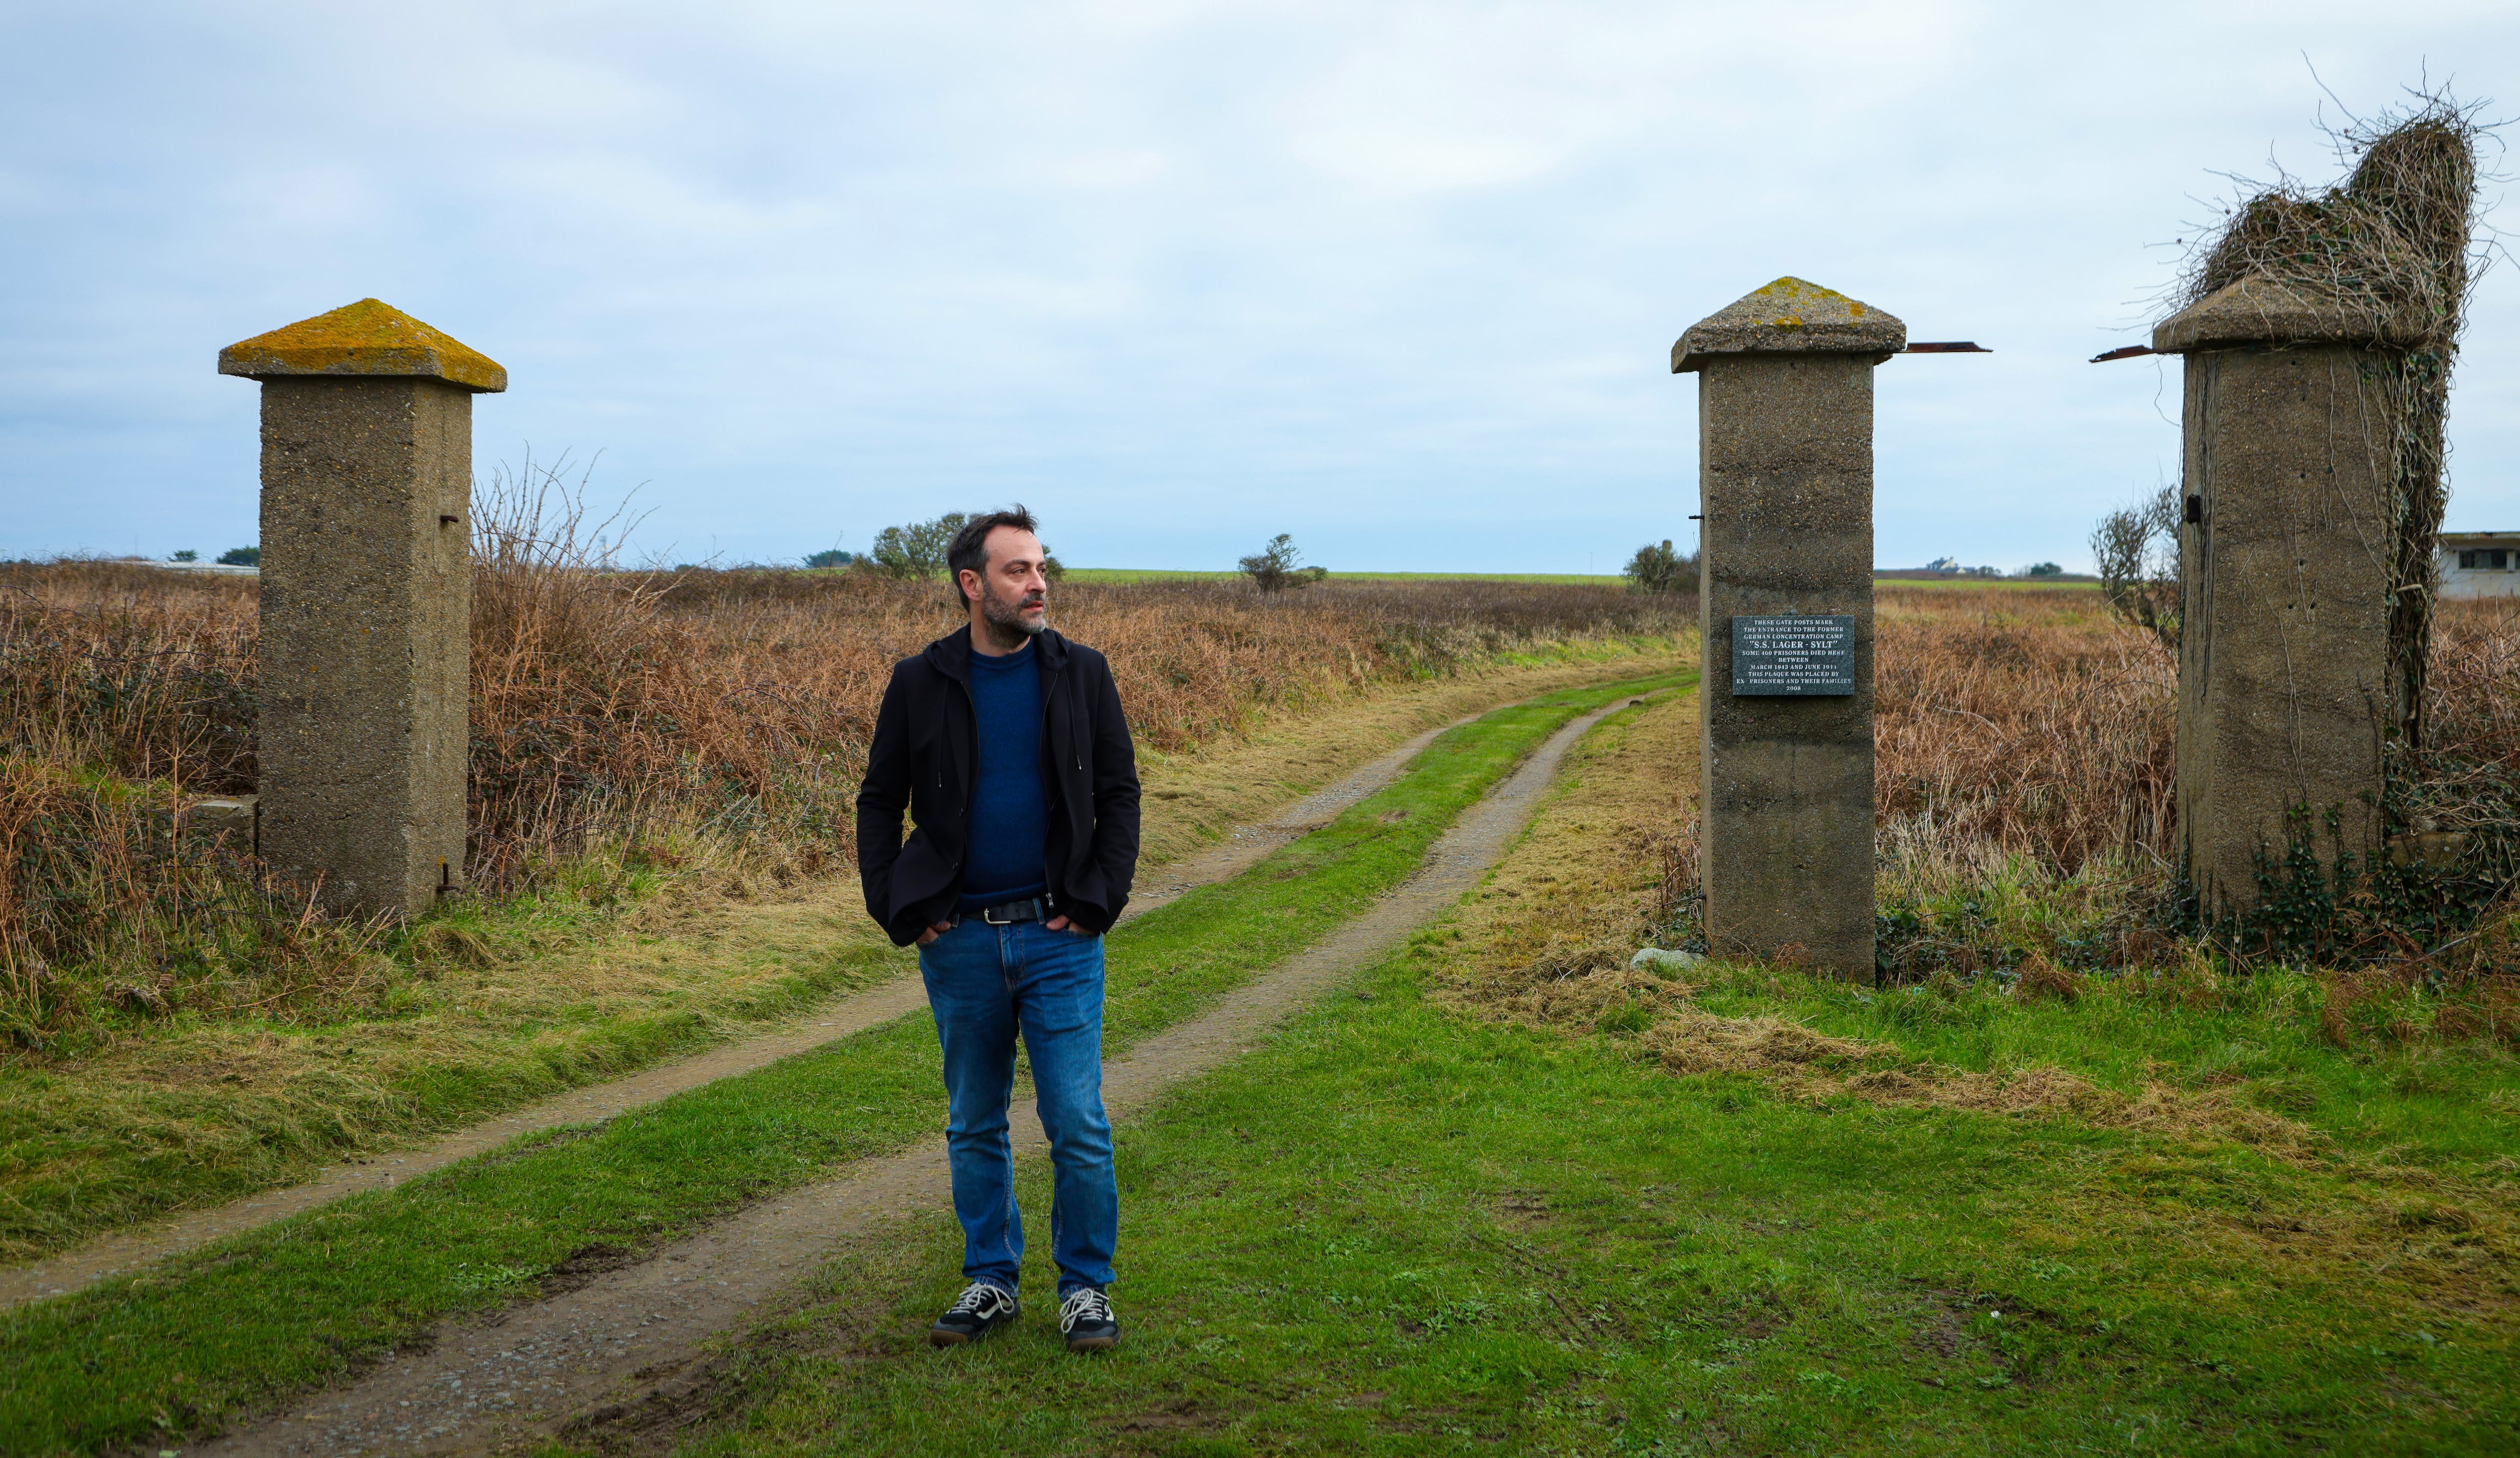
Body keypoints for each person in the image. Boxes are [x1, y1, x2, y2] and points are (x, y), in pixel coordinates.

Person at [854, 507, 1140, 1353]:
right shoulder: (921, 681)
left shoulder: (1082, 673)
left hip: (1060, 938)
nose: (1039, 584)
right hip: (964, 941)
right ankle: (991, 1280)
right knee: (974, 1120)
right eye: (1018, 571)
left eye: (1042, 567)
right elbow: (880, 799)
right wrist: (898, 903)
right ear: (972, 585)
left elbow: (1121, 793)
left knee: (1077, 1122)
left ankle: (1086, 1289)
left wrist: (1101, 899)